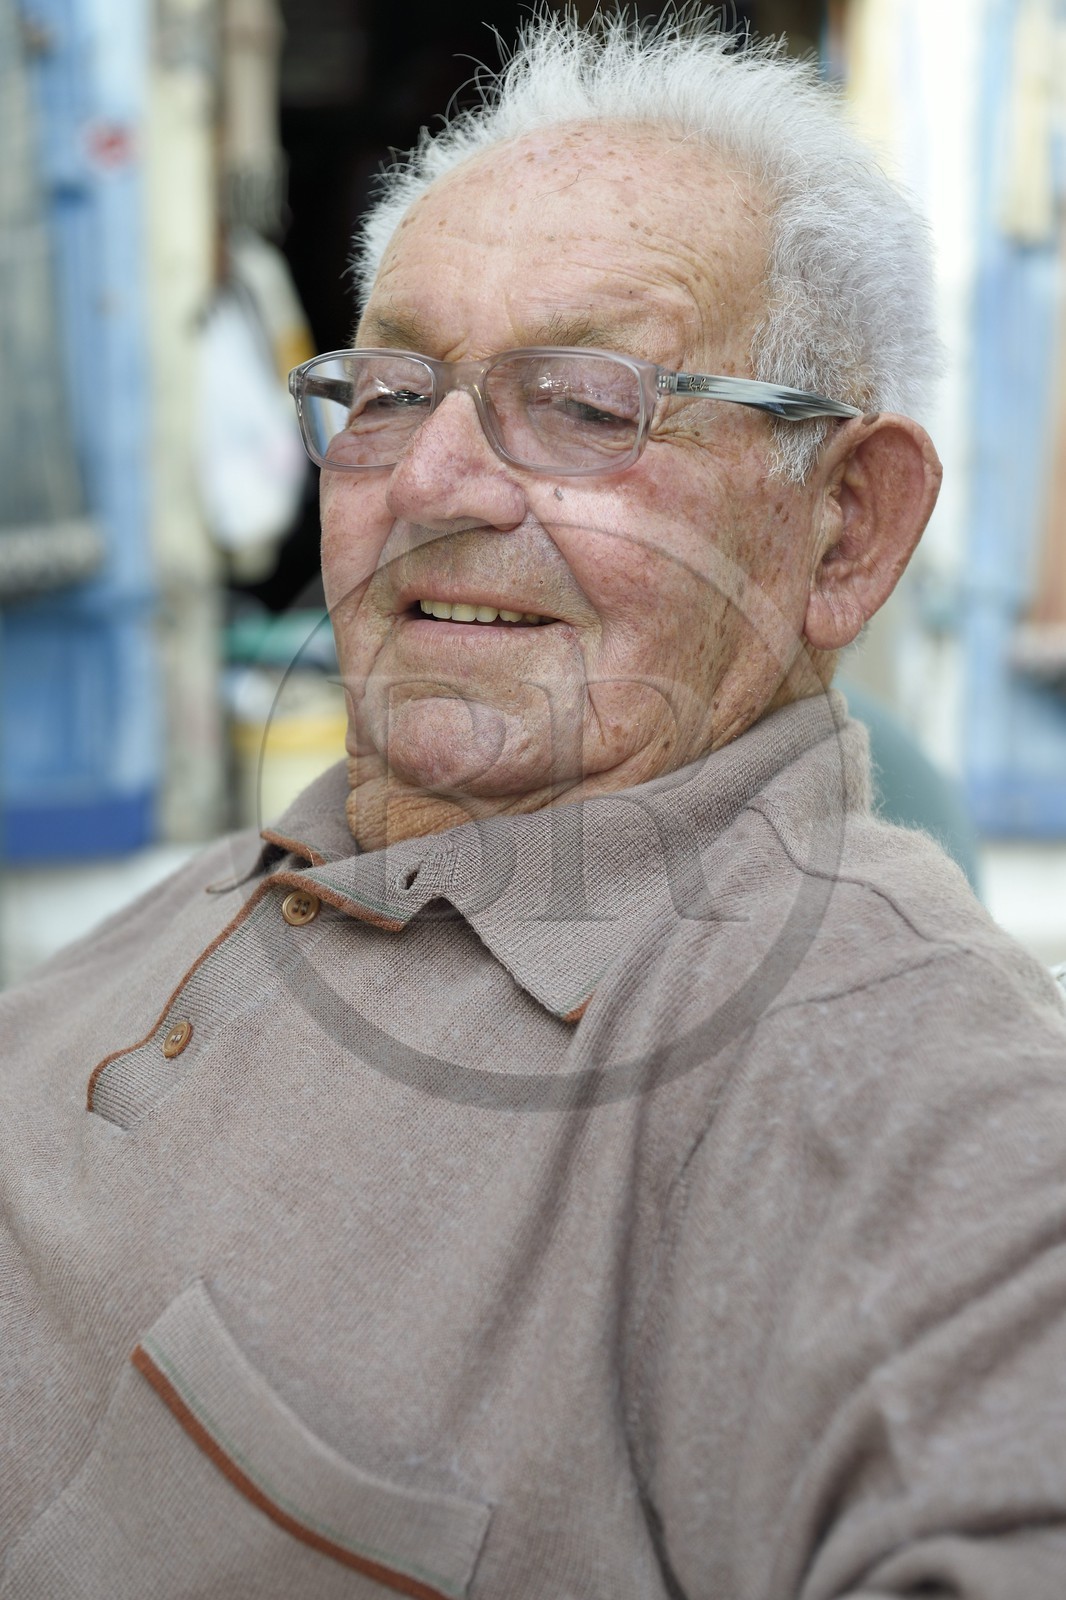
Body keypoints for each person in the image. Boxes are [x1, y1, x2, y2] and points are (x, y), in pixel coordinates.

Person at [2, 12, 1065, 1599]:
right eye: (385, 390)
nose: (432, 481)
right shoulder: (300, 848)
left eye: (584, 403)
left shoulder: (879, 1066)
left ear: (842, 527)